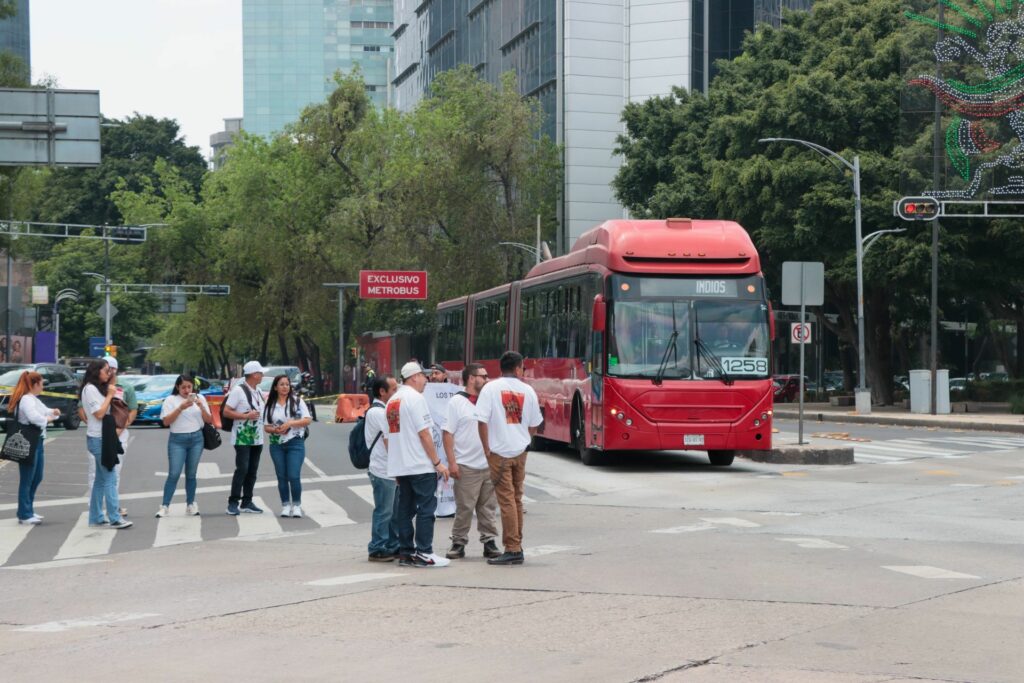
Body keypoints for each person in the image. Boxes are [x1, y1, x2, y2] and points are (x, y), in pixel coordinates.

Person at [476, 351, 542, 565]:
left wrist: (486, 448)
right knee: (516, 499)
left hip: (499, 452)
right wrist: (523, 441)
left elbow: (482, 421)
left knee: (506, 500)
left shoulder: (490, 388)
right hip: (519, 452)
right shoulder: (528, 390)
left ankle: (512, 548)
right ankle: (517, 544)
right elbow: (534, 424)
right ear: (517, 368)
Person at [386, 361, 451, 568]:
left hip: (402, 464)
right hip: (420, 464)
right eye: (423, 376)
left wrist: (395, 465)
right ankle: (424, 551)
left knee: (404, 509)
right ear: (414, 377)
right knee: (426, 508)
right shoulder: (416, 398)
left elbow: (391, 436)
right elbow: (424, 433)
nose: (426, 379)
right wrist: (437, 462)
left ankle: (406, 552)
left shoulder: (393, 401)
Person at [443, 363, 500, 560]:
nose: (486, 379)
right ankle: (458, 542)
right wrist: (452, 462)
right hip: (466, 464)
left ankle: (489, 541)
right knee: (465, 507)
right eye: (482, 376)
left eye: (486, 376)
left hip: (488, 464)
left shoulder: (489, 400)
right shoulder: (456, 402)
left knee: (488, 507)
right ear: (470, 378)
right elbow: (447, 434)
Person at [80, 359, 132, 529]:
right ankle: (115, 518)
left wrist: (111, 387)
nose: (109, 373)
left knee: (101, 480)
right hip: (98, 438)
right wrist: (110, 394)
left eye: (110, 371)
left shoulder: (98, 388)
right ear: (97, 371)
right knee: (109, 477)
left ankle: (96, 516)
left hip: (104, 437)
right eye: (106, 370)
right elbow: (99, 414)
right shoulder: (90, 389)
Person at [156, 375, 213, 517]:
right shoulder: (171, 400)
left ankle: (190, 504)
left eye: (189, 387)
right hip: (177, 440)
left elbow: (209, 419)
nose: (187, 390)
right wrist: (181, 408)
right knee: (174, 473)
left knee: (191, 474)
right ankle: (165, 505)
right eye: (183, 387)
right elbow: (166, 422)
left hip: (196, 438)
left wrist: (200, 406)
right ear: (177, 387)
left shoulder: (200, 398)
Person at [8, 371, 60, 524]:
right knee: (28, 478)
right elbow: (34, 417)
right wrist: (49, 419)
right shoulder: (26, 399)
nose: (43, 386)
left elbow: (44, 410)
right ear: (35, 384)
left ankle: (28, 509)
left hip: (37, 441)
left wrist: (53, 412)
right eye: (42, 383)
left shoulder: (32, 399)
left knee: (36, 477)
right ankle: (24, 514)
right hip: (29, 442)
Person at [264, 374, 312, 518]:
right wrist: (276, 429)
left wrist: (290, 423)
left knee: (293, 475)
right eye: (282, 384)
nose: (285, 387)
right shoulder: (270, 404)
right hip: (276, 444)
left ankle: (296, 505)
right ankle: (285, 505)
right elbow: (266, 427)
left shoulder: (297, 401)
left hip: (295, 442)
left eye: (287, 384)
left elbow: (307, 420)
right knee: (281, 476)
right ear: (275, 387)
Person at [223, 361, 266, 516]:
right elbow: (226, 411)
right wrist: (245, 416)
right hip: (242, 437)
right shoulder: (238, 391)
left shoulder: (259, 391)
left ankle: (247, 501)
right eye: (260, 373)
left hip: (257, 437)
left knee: (252, 471)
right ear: (254, 374)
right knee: (242, 469)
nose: (262, 375)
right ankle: (233, 502)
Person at [366, 373, 399, 561]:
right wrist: (398, 466)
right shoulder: (378, 412)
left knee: (393, 512)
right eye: (393, 389)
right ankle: (377, 547)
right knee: (384, 511)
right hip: (383, 469)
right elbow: (389, 441)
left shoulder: (384, 409)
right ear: (382, 391)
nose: (396, 392)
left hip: (388, 469)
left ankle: (392, 545)